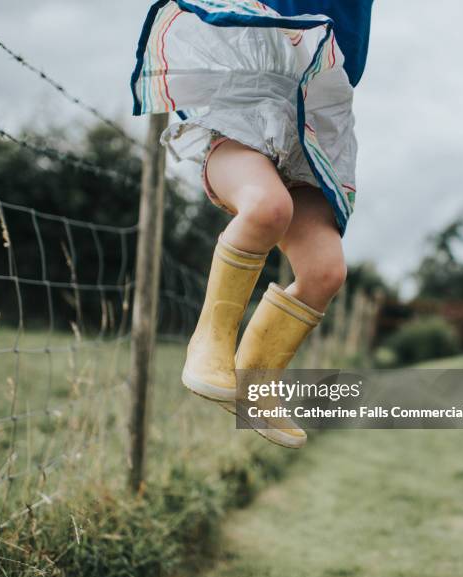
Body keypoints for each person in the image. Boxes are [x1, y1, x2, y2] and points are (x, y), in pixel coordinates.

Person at [131, 0, 374, 448]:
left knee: (325, 272)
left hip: (320, 105)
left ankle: (256, 388)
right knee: (266, 208)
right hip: (250, 92)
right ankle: (209, 346)